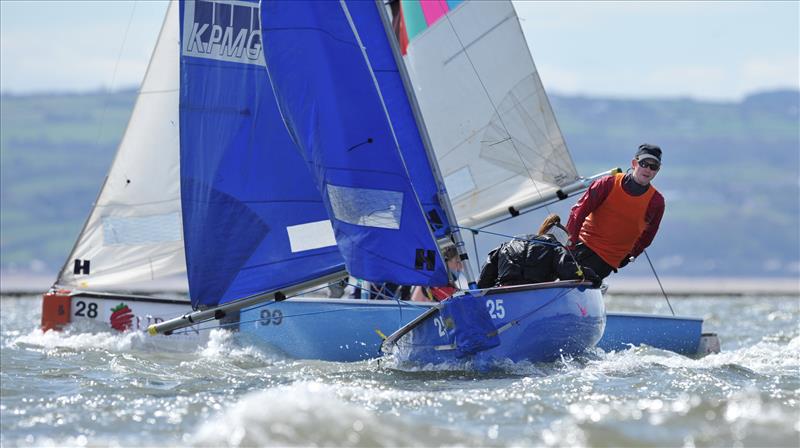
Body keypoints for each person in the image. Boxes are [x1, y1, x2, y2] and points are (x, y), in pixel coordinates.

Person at [565, 143, 665, 280]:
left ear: (657, 170)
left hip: (607, 261)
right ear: (634, 163)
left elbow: (648, 236)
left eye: (653, 166)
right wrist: (570, 245)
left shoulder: (656, 202)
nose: (648, 169)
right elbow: (578, 212)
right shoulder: (607, 183)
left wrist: (632, 255)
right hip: (582, 248)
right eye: (644, 163)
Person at [476, 213, 584, 288]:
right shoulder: (555, 249)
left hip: (504, 296)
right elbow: (573, 272)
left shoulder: (506, 245)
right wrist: (592, 277)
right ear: (561, 240)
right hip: (537, 299)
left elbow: (483, 282)